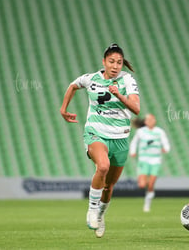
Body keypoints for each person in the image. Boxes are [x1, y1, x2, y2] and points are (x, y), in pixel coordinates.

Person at [60, 43, 140, 238]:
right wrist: (63, 109)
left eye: (119, 63)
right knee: (102, 166)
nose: (115, 66)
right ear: (103, 62)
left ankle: (101, 215)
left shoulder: (127, 80)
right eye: (111, 61)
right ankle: (92, 209)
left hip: (120, 137)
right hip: (96, 132)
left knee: (109, 186)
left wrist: (119, 94)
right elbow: (73, 86)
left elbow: (136, 109)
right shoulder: (90, 79)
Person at [129, 114, 170, 212]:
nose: (151, 121)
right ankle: (147, 186)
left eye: (152, 119)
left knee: (151, 184)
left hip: (155, 160)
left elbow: (165, 142)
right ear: (145, 122)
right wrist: (133, 151)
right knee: (142, 185)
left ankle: (147, 203)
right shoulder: (140, 132)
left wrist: (166, 148)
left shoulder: (159, 132)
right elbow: (134, 142)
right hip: (144, 159)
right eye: (149, 119)